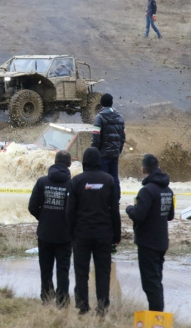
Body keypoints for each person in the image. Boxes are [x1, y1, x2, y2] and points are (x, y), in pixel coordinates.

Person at [67, 147, 121, 316]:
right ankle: (102, 306)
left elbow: (70, 211)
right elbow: (114, 210)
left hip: (81, 234)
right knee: (103, 272)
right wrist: (117, 235)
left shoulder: (76, 181)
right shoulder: (109, 180)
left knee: (81, 271)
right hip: (104, 234)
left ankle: (82, 306)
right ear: (99, 162)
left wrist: (71, 234)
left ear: (84, 162)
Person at [126, 154, 174, 312]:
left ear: (143, 170)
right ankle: (158, 315)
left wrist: (129, 208)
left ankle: (156, 318)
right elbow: (170, 215)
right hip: (161, 241)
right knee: (156, 280)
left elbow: (138, 216)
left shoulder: (146, 191)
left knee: (150, 283)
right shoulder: (167, 190)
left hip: (148, 242)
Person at [28, 150, 72, 308]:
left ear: (54, 161)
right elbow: (76, 211)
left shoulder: (42, 182)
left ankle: (46, 297)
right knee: (63, 269)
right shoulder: (72, 184)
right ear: (69, 164)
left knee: (45, 268)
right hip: (65, 235)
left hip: (45, 233)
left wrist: (44, 217)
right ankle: (62, 301)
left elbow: (32, 206)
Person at [91, 93, 125, 205]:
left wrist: (94, 152)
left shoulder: (99, 117)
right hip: (114, 153)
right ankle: (116, 199)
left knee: (102, 178)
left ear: (101, 104)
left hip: (103, 154)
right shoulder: (120, 117)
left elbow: (96, 137)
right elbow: (123, 137)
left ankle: (102, 200)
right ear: (112, 103)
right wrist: (118, 151)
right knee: (114, 177)